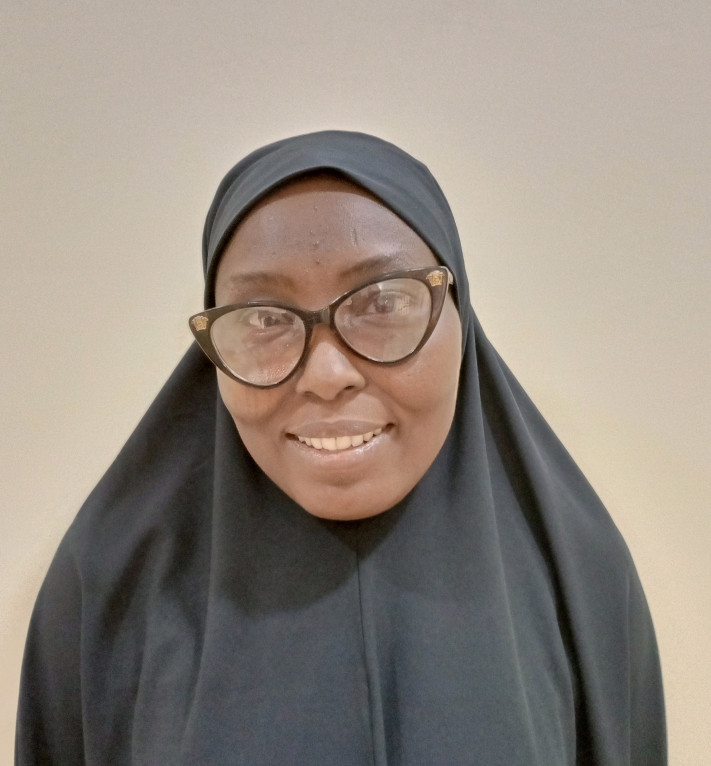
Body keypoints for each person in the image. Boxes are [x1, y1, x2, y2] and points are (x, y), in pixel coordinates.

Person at [16, 131, 666, 765]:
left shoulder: (581, 575)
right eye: (264, 318)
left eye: (382, 302)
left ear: (459, 314)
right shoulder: (106, 586)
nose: (327, 375)